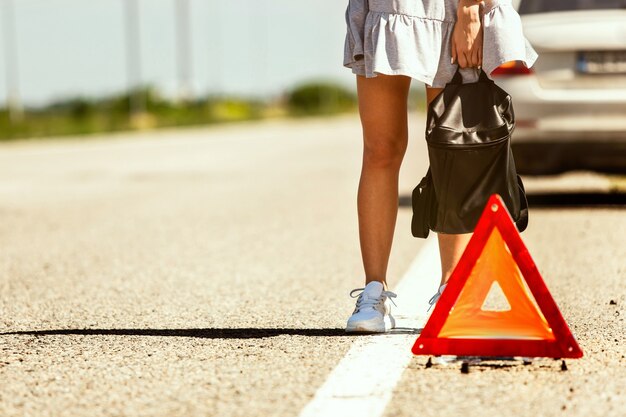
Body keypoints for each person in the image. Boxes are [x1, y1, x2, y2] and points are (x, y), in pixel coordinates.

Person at [343, 0, 537, 333]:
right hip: (387, 7)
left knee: (454, 150)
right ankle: (373, 292)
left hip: (448, 9)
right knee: (380, 150)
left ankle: (451, 290)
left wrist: (469, 10)